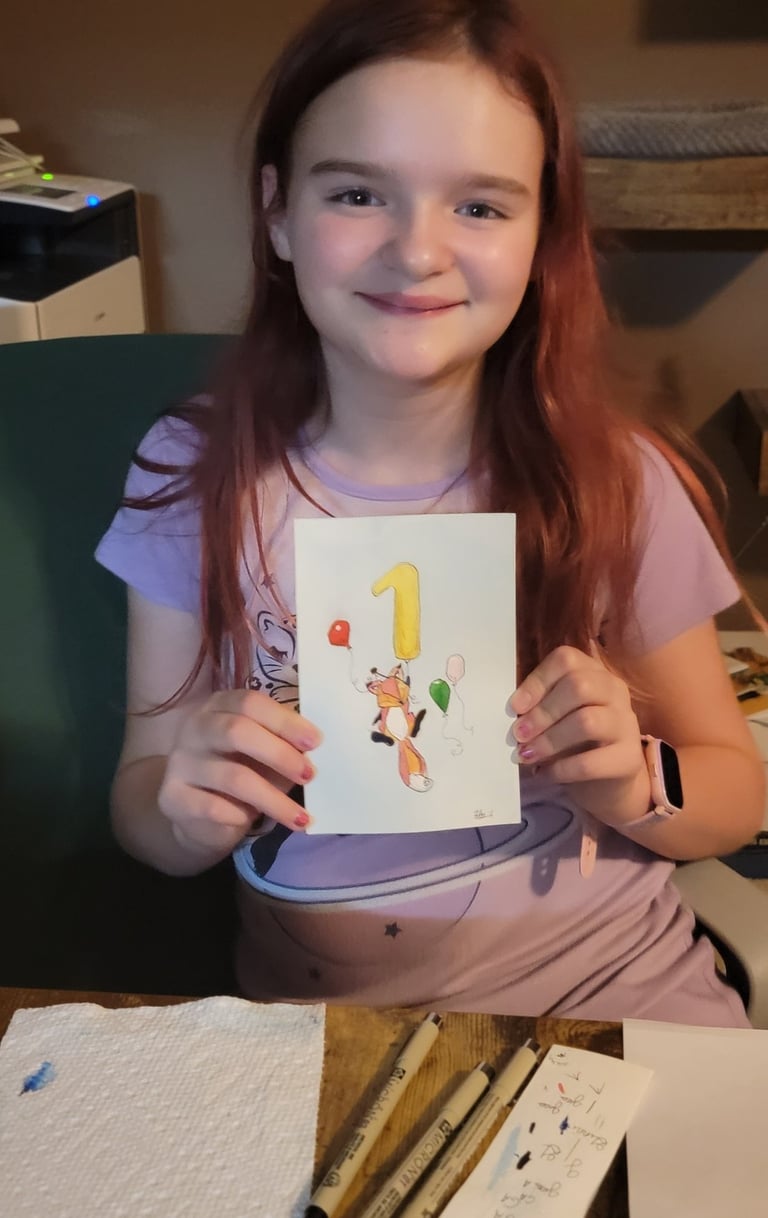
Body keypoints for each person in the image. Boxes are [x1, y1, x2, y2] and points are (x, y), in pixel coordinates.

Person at [96, 0, 764, 1025]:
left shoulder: (615, 479)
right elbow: (142, 802)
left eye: (481, 207)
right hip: (322, 1023)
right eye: (359, 193)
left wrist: (636, 779)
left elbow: (735, 796)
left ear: (542, 236)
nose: (417, 252)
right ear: (277, 211)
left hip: (614, 991)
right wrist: (185, 808)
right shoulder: (195, 471)